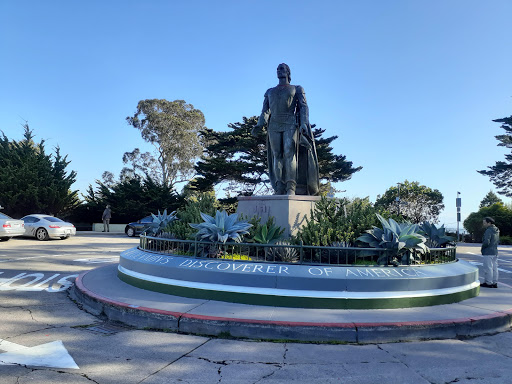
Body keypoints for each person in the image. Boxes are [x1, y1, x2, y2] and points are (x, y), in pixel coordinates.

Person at [252, 63, 319, 195]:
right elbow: (265, 111)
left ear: (288, 72)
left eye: (282, 69)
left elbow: (304, 107)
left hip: (290, 122)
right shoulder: (270, 91)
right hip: (274, 124)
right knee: (277, 155)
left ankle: (291, 187)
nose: (279, 71)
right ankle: (279, 187)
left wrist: (304, 123)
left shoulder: (297, 88)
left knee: (289, 153)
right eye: (277, 69)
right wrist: (259, 124)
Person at [480, 216, 500, 288]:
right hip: (495, 251)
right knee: (494, 268)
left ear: (489, 223)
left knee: (488, 268)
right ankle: (495, 282)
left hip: (488, 251)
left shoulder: (488, 230)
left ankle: (488, 283)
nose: (484, 224)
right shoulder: (497, 230)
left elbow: (486, 241)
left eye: (485, 223)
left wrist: (483, 248)